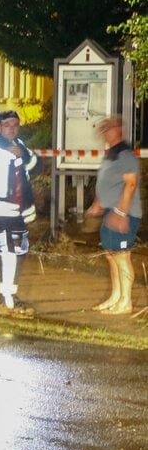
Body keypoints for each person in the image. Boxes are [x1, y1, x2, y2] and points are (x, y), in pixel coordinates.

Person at [0, 111, 38, 319]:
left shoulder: (20, 144)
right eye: (7, 125)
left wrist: (24, 155)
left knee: (19, 252)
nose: (12, 128)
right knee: (10, 253)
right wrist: (11, 154)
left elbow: (34, 165)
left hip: (18, 211)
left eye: (15, 125)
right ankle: (8, 301)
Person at [85, 115, 142, 315]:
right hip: (111, 212)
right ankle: (116, 297)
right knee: (111, 255)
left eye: (106, 128)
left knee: (122, 257)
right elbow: (107, 181)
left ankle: (126, 302)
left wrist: (120, 213)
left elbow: (131, 183)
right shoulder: (111, 153)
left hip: (124, 214)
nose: (103, 132)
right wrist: (98, 203)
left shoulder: (125, 154)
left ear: (117, 130)